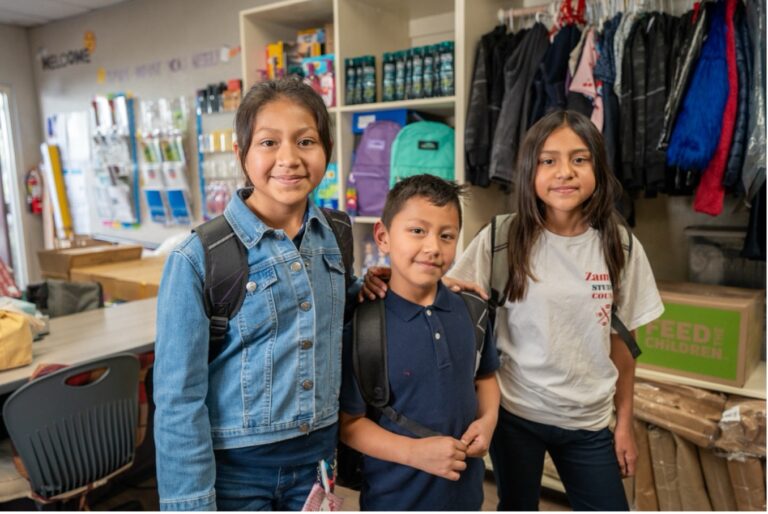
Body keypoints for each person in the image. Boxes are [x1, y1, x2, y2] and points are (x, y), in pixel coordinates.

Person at [362, 111, 664, 510]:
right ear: (529, 169)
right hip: (515, 415)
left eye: (580, 159)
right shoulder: (501, 237)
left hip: (588, 420)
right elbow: (443, 280)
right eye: (548, 160)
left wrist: (624, 423)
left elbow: (623, 345)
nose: (565, 172)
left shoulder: (620, 246)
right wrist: (384, 274)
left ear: (598, 167)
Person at [154, 79, 352, 511]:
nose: (290, 159)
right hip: (236, 475)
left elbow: (337, 316)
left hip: (317, 465)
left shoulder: (337, 234)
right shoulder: (197, 258)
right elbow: (177, 401)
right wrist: (190, 504)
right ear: (241, 153)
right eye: (268, 142)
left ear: (327, 150)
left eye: (306, 141)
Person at [340, 174, 501, 510]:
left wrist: (488, 422)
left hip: (466, 498)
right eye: (417, 231)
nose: (433, 247)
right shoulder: (365, 326)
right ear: (383, 236)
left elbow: (485, 377)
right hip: (393, 500)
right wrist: (414, 453)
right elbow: (350, 424)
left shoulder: (473, 312)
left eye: (447, 236)